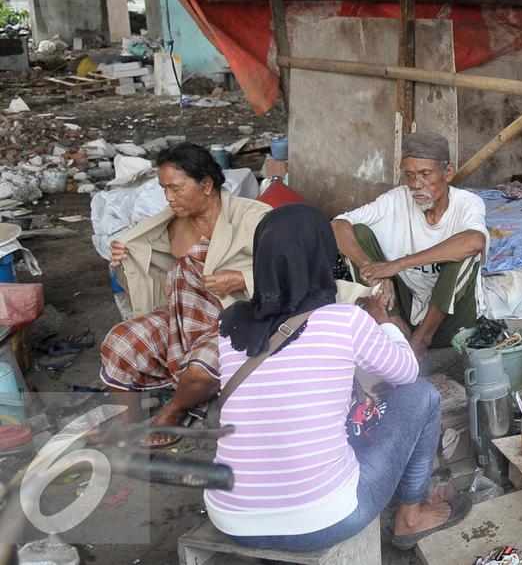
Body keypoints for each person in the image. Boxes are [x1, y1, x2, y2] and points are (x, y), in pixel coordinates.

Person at [207, 204, 465, 551]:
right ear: (323, 257)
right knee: (421, 396)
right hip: (323, 519)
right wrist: (383, 318)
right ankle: (410, 517)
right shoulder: (343, 320)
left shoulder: (230, 325)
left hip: (230, 517)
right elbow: (407, 372)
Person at [101, 143, 269, 448]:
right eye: (164, 188)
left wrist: (242, 278)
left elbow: (292, 270)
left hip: (238, 318)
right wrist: (127, 259)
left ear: (205, 185)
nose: (169, 197)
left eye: (176, 188)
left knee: (201, 369)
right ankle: (128, 423)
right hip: (183, 316)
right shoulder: (166, 225)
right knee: (120, 341)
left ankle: (173, 410)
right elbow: (146, 278)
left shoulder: (254, 217)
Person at [332, 132, 488, 375]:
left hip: (451, 321)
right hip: (404, 312)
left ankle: (419, 342)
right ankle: (394, 326)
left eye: (426, 175)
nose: (416, 184)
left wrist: (397, 265)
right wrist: (372, 268)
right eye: (410, 175)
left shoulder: (468, 203)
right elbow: (338, 225)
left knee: (465, 253)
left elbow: (475, 241)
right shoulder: (395, 201)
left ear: (447, 173)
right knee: (359, 232)